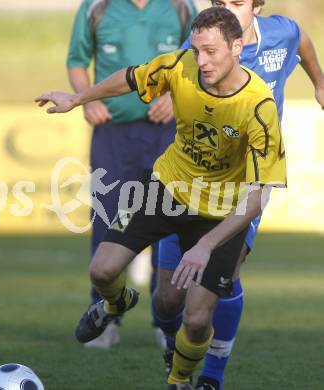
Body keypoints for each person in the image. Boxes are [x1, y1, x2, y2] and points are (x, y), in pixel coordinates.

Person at [36, 7, 287, 389]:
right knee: (102, 271)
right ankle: (116, 305)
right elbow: (130, 78)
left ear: (237, 47)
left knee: (197, 317)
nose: (201, 61)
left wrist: (206, 245)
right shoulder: (180, 66)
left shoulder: (258, 106)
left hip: (221, 214)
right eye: (197, 50)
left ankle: (179, 378)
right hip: (167, 188)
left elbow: (256, 198)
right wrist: (78, 97)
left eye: (211, 52)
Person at [152, 1, 324, 389]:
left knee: (226, 275)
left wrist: (319, 82)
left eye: (236, 3)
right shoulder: (200, 42)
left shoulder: (281, 33)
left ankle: (212, 377)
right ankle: (170, 342)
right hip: (191, 180)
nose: (226, 9)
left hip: (245, 182)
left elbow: (304, 43)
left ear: (257, 6)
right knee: (167, 297)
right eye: (219, 2)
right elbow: (174, 72)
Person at [67, 0, 197, 348]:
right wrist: (87, 99)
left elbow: (201, 61)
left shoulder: (182, 7)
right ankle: (105, 315)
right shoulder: (96, 8)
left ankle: (166, 319)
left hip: (169, 133)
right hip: (113, 134)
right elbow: (77, 62)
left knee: (170, 225)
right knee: (106, 219)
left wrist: (175, 95)